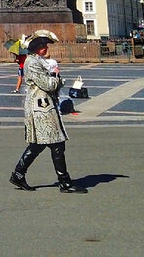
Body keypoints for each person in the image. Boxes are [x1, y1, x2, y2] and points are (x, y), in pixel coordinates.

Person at [9, 30, 86, 193]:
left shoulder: (38, 61)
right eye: (43, 45)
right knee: (56, 143)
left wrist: (53, 76)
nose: (46, 47)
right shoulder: (33, 62)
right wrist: (57, 78)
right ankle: (64, 183)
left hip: (43, 106)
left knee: (39, 144)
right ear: (36, 48)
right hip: (41, 108)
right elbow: (48, 84)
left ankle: (18, 174)